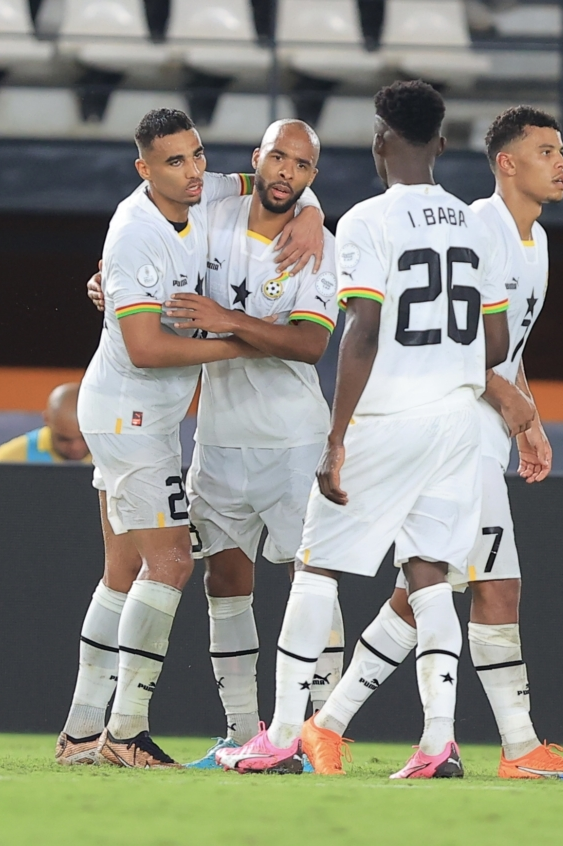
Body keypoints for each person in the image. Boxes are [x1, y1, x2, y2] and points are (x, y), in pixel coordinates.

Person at [217, 80, 510, 779]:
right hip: (458, 419)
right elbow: (496, 343)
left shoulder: (368, 221)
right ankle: (438, 742)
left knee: (316, 565)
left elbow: (364, 331)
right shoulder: (478, 225)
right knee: (429, 574)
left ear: (380, 141)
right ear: (441, 144)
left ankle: (282, 736)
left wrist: (337, 437)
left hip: (389, 417)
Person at [300, 106, 563, 781]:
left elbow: (506, 348)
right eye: (546, 151)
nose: (561, 163)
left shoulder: (536, 241)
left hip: (481, 434)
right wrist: (507, 401)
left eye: (561, 151)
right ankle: (516, 747)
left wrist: (528, 418)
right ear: (506, 163)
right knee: (492, 586)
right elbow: (446, 341)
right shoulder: (478, 226)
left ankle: (328, 725)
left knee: (428, 590)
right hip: (453, 431)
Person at [55, 108, 325, 769]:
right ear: (145, 169)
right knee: (173, 562)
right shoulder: (137, 232)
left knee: (122, 571)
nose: (194, 169)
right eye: (175, 161)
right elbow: (146, 349)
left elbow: (273, 179)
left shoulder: (204, 195)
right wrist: (237, 339)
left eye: (197, 154)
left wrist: (313, 213)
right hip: (131, 417)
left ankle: (81, 732)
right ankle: (126, 732)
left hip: (140, 415)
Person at [162, 119, 343, 768]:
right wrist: (112, 279)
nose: (287, 172)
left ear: (312, 176)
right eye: (278, 158)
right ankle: (242, 732)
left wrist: (226, 321)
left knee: (311, 578)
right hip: (218, 437)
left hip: (292, 440)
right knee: (224, 580)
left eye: (302, 165)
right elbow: (159, 220)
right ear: (256, 159)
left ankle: (321, 734)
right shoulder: (212, 212)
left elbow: (310, 343)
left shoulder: (320, 244)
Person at [0, 382, 90, 463]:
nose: (76, 447)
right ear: (47, 420)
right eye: (64, 439)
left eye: (86, 438)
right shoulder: (8, 460)